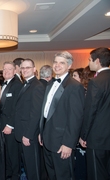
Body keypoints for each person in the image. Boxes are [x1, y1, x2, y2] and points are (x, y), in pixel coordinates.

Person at [39, 51, 85, 180]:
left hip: (61, 142)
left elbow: (75, 119)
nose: (57, 65)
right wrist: (41, 132)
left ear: (69, 66)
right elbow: (46, 112)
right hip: (47, 140)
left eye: (62, 63)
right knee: (51, 175)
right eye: (55, 62)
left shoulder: (75, 87)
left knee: (64, 176)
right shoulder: (49, 84)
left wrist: (68, 144)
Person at [79, 47, 110, 180]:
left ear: (97, 61)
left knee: (96, 174)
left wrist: (83, 136)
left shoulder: (96, 82)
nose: (89, 62)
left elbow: (90, 111)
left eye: (90, 60)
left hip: (97, 138)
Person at [14, 59, 45, 180]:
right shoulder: (26, 84)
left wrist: (28, 134)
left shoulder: (37, 86)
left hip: (29, 135)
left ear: (34, 69)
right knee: (28, 166)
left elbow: (36, 114)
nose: (25, 70)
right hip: (23, 132)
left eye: (28, 67)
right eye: (23, 68)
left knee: (33, 168)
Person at [0, 61, 23, 180]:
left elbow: (17, 108)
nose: (6, 71)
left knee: (13, 155)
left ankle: (15, 176)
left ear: (15, 71)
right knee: (7, 153)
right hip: (2, 125)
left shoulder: (17, 85)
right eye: (4, 69)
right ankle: (8, 175)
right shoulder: (4, 84)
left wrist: (10, 125)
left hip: (11, 126)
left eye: (9, 69)